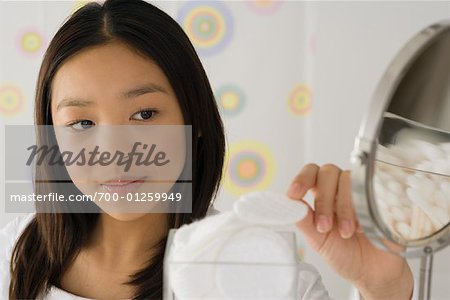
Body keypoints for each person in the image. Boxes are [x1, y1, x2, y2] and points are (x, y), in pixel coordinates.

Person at [0, 0, 414, 299]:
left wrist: (383, 287)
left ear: (193, 120)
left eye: (144, 114)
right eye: (82, 123)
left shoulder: (259, 277)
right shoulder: (10, 254)